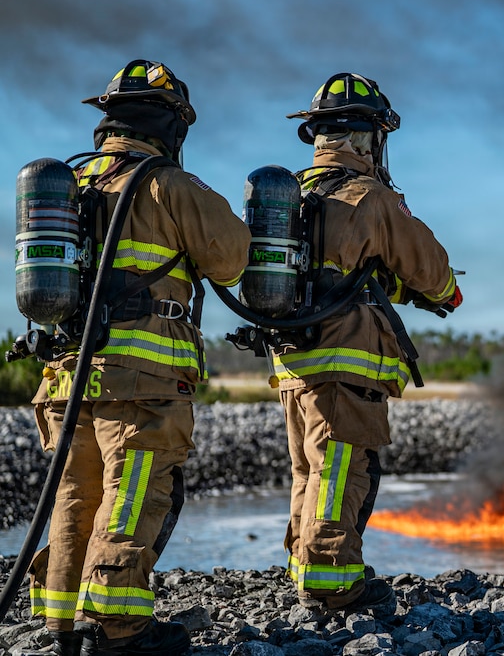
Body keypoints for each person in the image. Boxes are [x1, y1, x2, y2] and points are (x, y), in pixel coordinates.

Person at [26, 60, 252, 656]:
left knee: (75, 498)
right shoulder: (166, 184)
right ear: (171, 126)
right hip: (141, 380)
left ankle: (62, 625)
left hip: (66, 376)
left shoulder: (72, 183)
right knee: (133, 493)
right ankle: (118, 629)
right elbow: (232, 259)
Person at [274, 72, 462, 613]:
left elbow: (346, 274)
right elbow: (431, 269)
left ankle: (304, 569)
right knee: (341, 469)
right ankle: (334, 583)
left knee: (309, 468)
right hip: (347, 357)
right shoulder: (370, 197)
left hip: (292, 361)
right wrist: (446, 294)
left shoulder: (291, 196)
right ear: (368, 138)